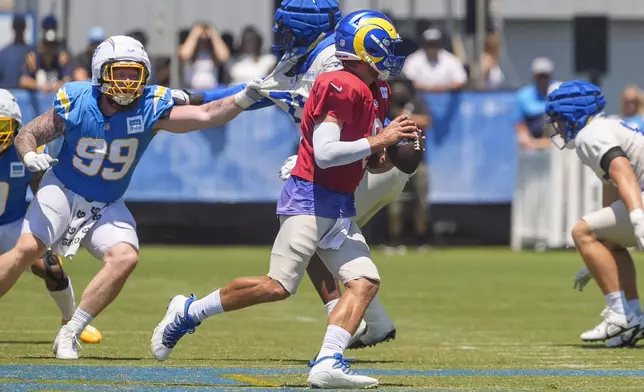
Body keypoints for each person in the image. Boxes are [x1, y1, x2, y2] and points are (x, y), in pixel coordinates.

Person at [152, 10, 416, 388]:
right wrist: (381, 140)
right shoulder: (340, 82)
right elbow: (325, 153)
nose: (392, 53)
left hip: (339, 203)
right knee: (278, 285)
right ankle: (189, 312)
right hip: (310, 197)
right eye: (385, 45)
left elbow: (368, 162)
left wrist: (393, 156)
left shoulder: (374, 88)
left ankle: (328, 361)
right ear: (365, 46)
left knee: (365, 282)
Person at [0, 35, 265, 360]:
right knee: (28, 248)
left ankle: (71, 331)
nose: (127, 80)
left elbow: (207, 114)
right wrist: (28, 155)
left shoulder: (151, 105)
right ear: (101, 73)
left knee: (125, 257)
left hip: (107, 202)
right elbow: (29, 134)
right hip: (64, 190)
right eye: (120, 72)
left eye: (134, 72)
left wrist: (243, 99)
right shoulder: (78, 99)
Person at [546, 80, 644, 348]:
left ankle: (619, 314)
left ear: (573, 112)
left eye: (559, 118)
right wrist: (596, 253)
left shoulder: (591, 135)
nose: (557, 126)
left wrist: (637, 219)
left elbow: (622, 172)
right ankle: (634, 314)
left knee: (580, 231)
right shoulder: (602, 128)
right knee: (606, 240)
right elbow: (612, 189)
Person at [0, 89, 101, 344]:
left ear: (16, 126)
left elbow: (41, 190)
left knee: (52, 267)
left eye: (2, 124)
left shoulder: (25, 152)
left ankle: (70, 322)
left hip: (12, 223)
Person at [401, 28, 467, 93]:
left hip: (446, 96)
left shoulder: (451, 60)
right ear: (423, 44)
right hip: (420, 97)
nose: (432, 48)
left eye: (435, 45)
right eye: (429, 45)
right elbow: (407, 81)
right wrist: (430, 88)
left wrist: (443, 88)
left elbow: (460, 81)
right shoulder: (413, 60)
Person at [515, 57, 557, 150]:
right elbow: (519, 121)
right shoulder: (523, 95)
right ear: (534, 77)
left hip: (555, 141)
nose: (542, 80)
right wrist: (526, 138)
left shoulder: (558, 92)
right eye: (539, 76)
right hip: (531, 142)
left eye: (545, 76)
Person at [179, 23, 230, 89]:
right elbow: (184, 55)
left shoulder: (213, 53)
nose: (203, 42)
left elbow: (224, 57)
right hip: (191, 90)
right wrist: (194, 34)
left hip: (211, 90)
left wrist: (214, 35)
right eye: (200, 40)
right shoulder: (188, 50)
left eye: (206, 40)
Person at [19, 28, 72, 92]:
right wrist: (39, 86)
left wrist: (54, 86)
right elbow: (23, 81)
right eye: (47, 46)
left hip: (57, 100)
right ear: (42, 46)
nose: (49, 50)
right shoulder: (33, 60)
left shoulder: (61, 60)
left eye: (53, 46)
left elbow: (68, 81)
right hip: (38, 100)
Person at [0, 14, 31, 88]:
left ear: (13, 27)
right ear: (25, 27)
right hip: (20, 97)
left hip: (6, 96)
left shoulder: (3, 53)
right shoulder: (31, 52)